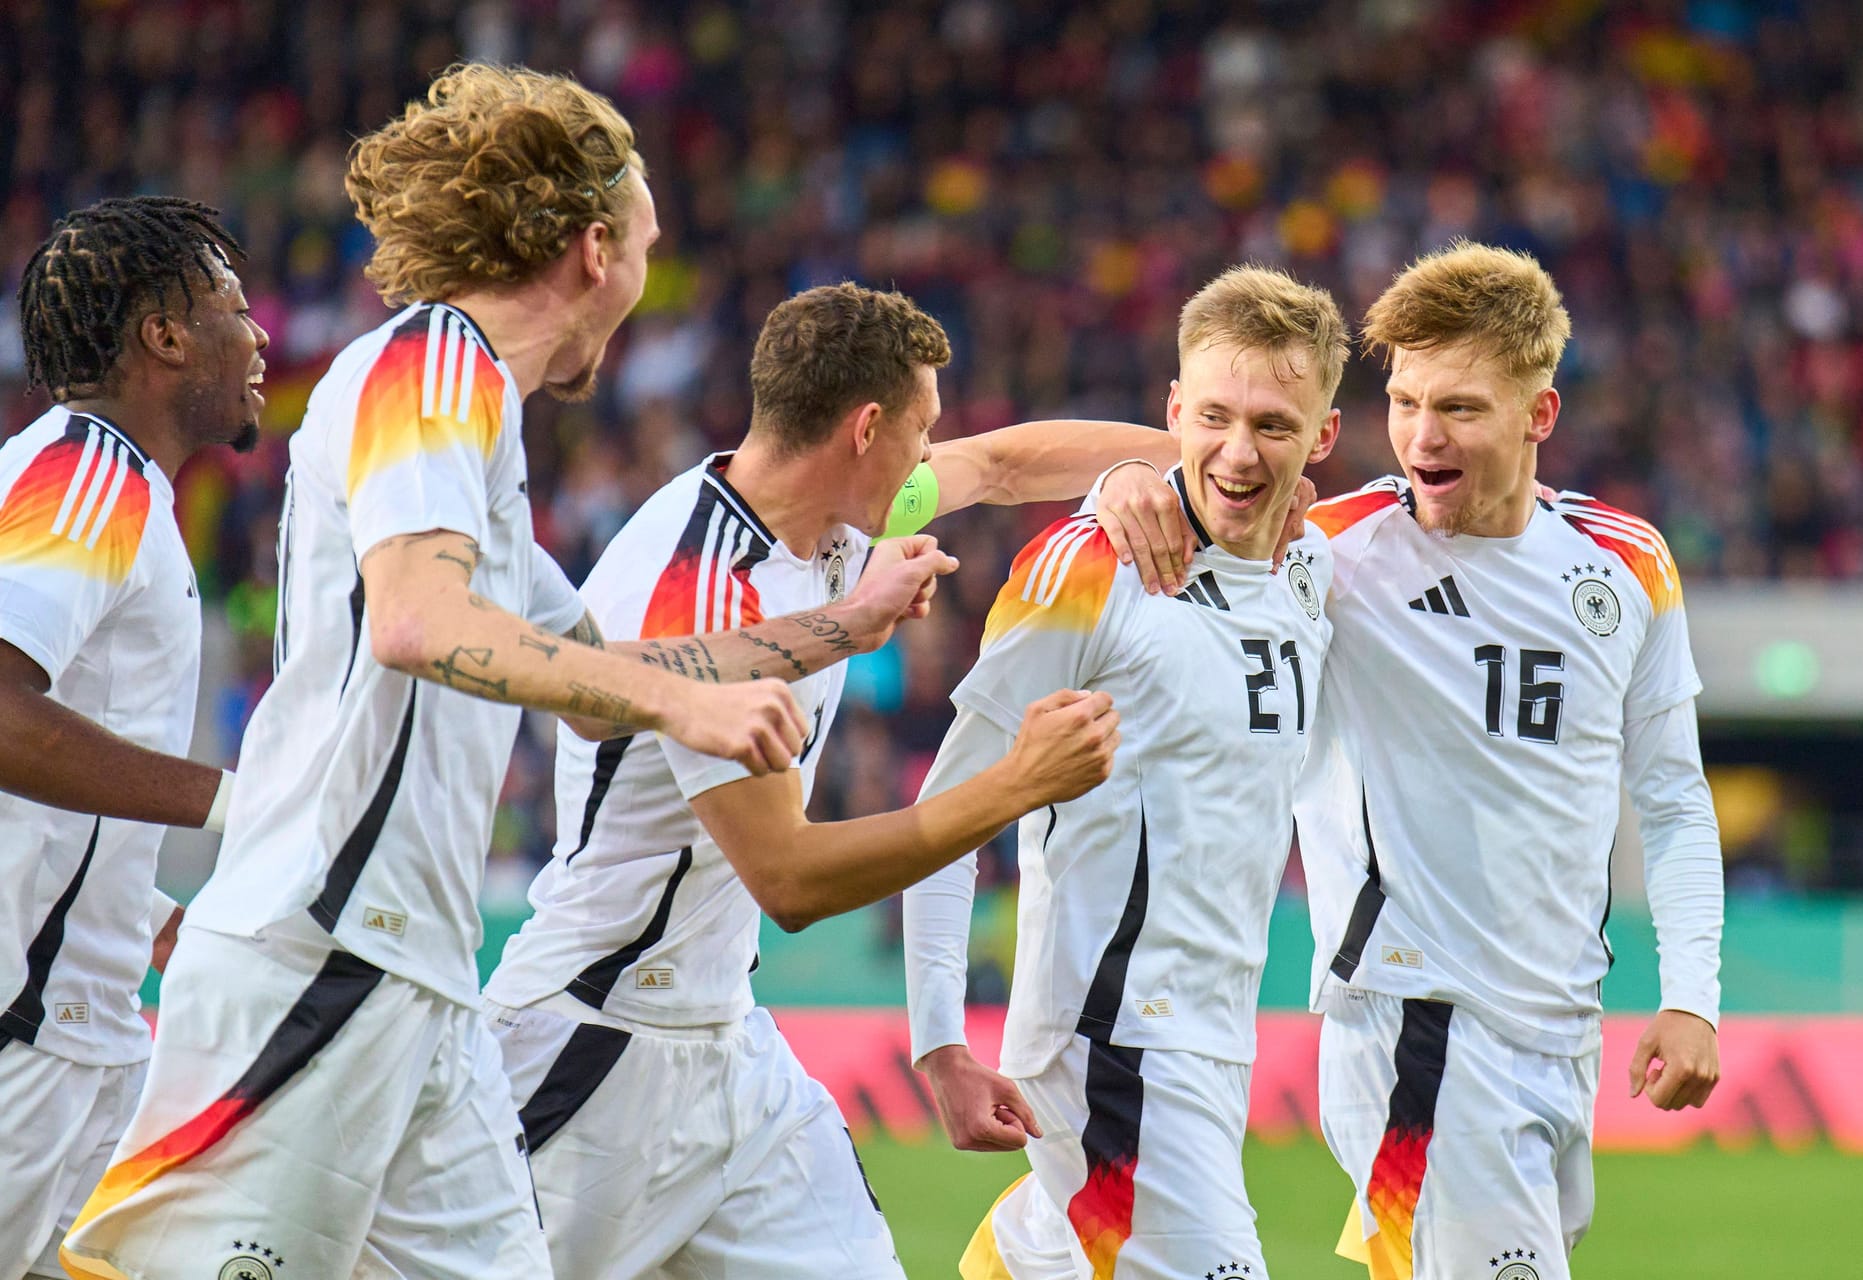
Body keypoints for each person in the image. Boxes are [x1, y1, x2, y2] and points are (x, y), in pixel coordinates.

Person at [60, 66, 947, 1280]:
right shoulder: (434, 364)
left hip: (424, 985)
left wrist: (841, 624)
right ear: (593, 251)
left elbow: (599, 667)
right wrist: (687, 699)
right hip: (317, 954)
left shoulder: (484, 431)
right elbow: (421, 623)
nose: (644, 276)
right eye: (644, 244)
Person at [481, 280, 1182, 1278]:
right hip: (591, 1047)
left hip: (729, 1047)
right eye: (921, 427)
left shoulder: (832, 518)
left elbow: (1010, 459)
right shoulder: (701, 591)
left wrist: (1175, 470)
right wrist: (1017, 783)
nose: (932, 453)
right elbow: (793, 878)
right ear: (866, 429)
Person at [1095, 242, 1723, 1280]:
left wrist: (1693, 992)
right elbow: (1211, 466)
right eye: (1406, 401)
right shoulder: (1327, 552)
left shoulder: (1627, 564)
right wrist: (1120, 475)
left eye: (1463, 408)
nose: (1424, 436)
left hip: (1560, 1030)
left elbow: (1673, 796)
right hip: (1412, 1025)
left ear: (1541, 415)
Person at [903, 265, 1348, 1280]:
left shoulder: (1315, 567)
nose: (1239, 452)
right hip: (1112, 1041)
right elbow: (949, 809)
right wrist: (940, 1041)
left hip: (1211, 1039)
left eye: (1275, 425)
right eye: (1216, 418)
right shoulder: (1089, 568)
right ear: (1172, 414)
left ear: (1322, 437)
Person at [0, 197, 264, 1280]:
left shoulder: (102, 480)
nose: (259, 336)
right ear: (162, 334)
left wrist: (135, 905)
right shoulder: (87, 474)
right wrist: (239, 800)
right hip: (30, 1041)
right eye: (235, 309)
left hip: (88, 1032)